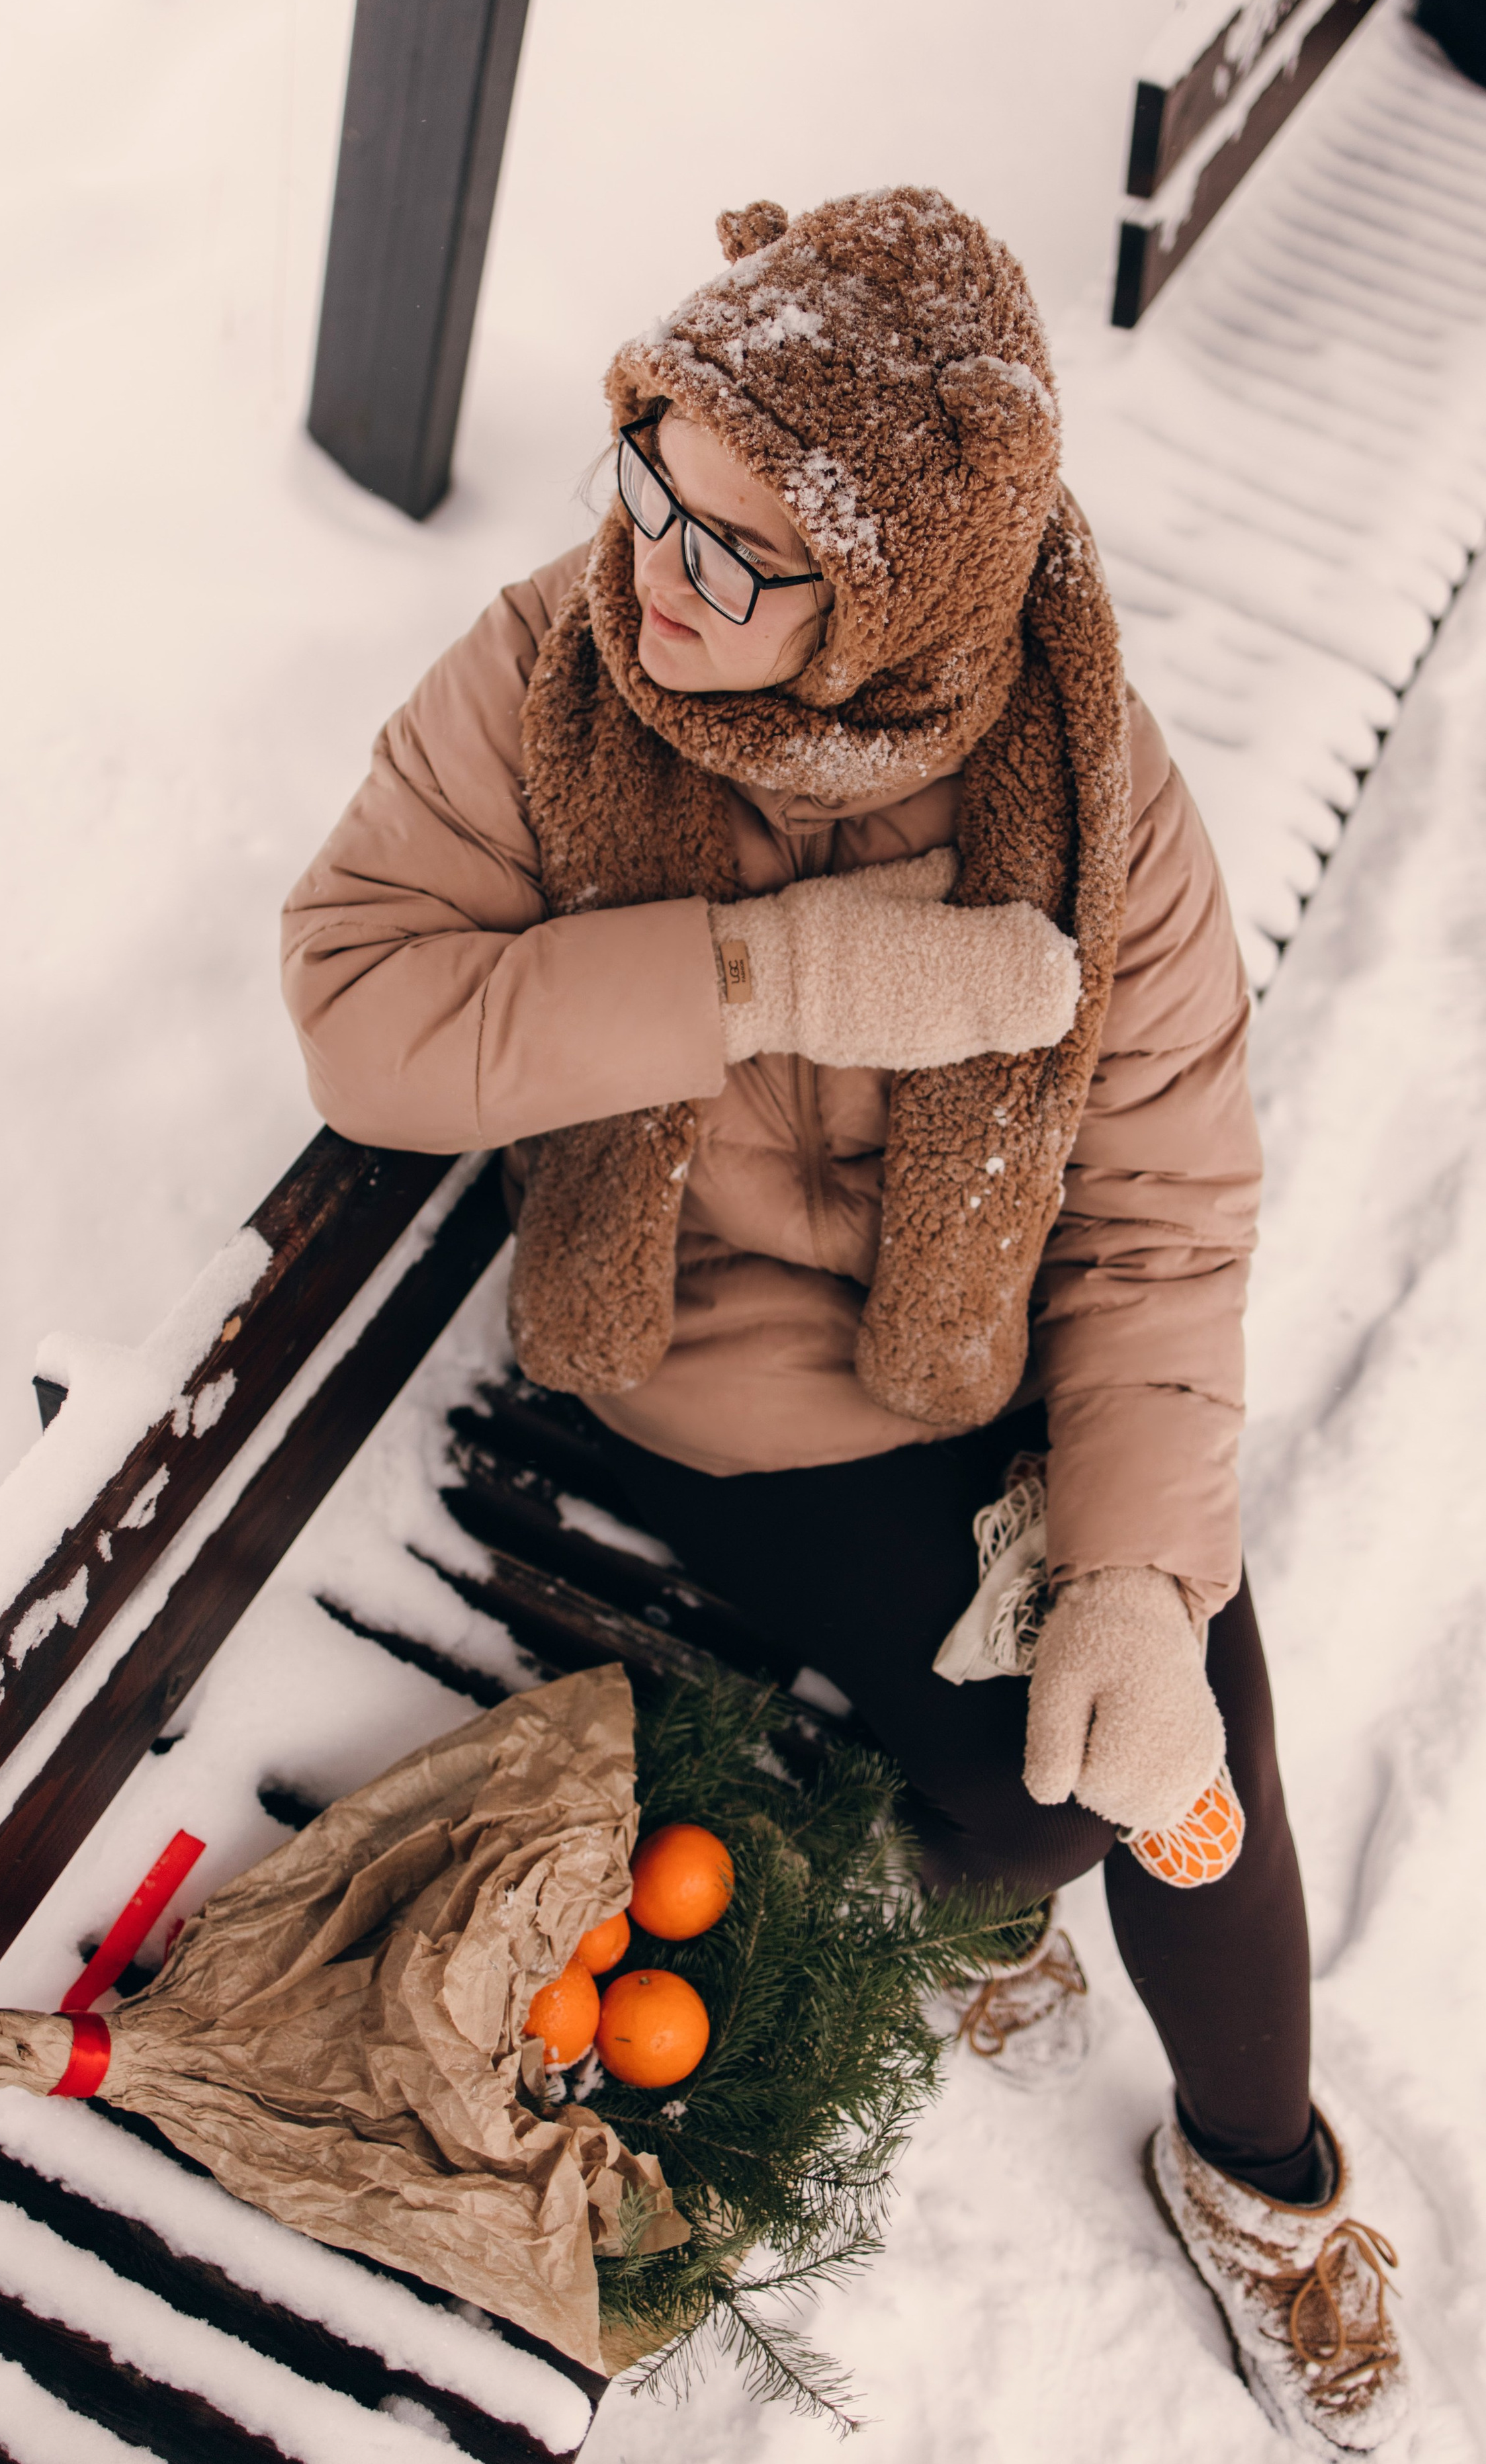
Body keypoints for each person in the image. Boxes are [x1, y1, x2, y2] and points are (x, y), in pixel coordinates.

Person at [283, 189, 1407, 2455]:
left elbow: (1163, 1213)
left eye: (743, 556)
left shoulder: (1087, 787)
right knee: (1013, 1807)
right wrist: (758, 974)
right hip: (708, 1383)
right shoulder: (552, 675)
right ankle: (982, 1907)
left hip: (985, 1363)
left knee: (1185, 1738)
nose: (656, 574)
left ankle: (1263, 2177)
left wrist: (1131, 1571)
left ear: (903, 593)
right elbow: (359, 1011)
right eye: (649, 482)